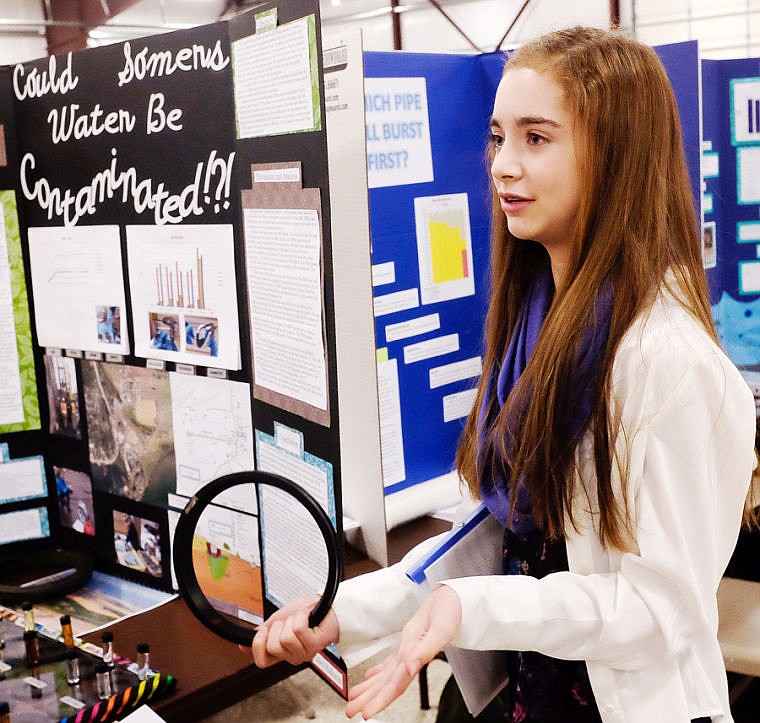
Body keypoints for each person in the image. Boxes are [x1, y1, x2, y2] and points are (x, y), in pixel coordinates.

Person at [248, 26, 758, 723]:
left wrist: (475, 605)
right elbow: (498, 538)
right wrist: (343, 613)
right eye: (498, 136)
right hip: (522, 690)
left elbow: (661, 608)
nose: (502, 165)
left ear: (616, 158)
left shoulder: (664, 361)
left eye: (536, 138)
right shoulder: (538, 327)